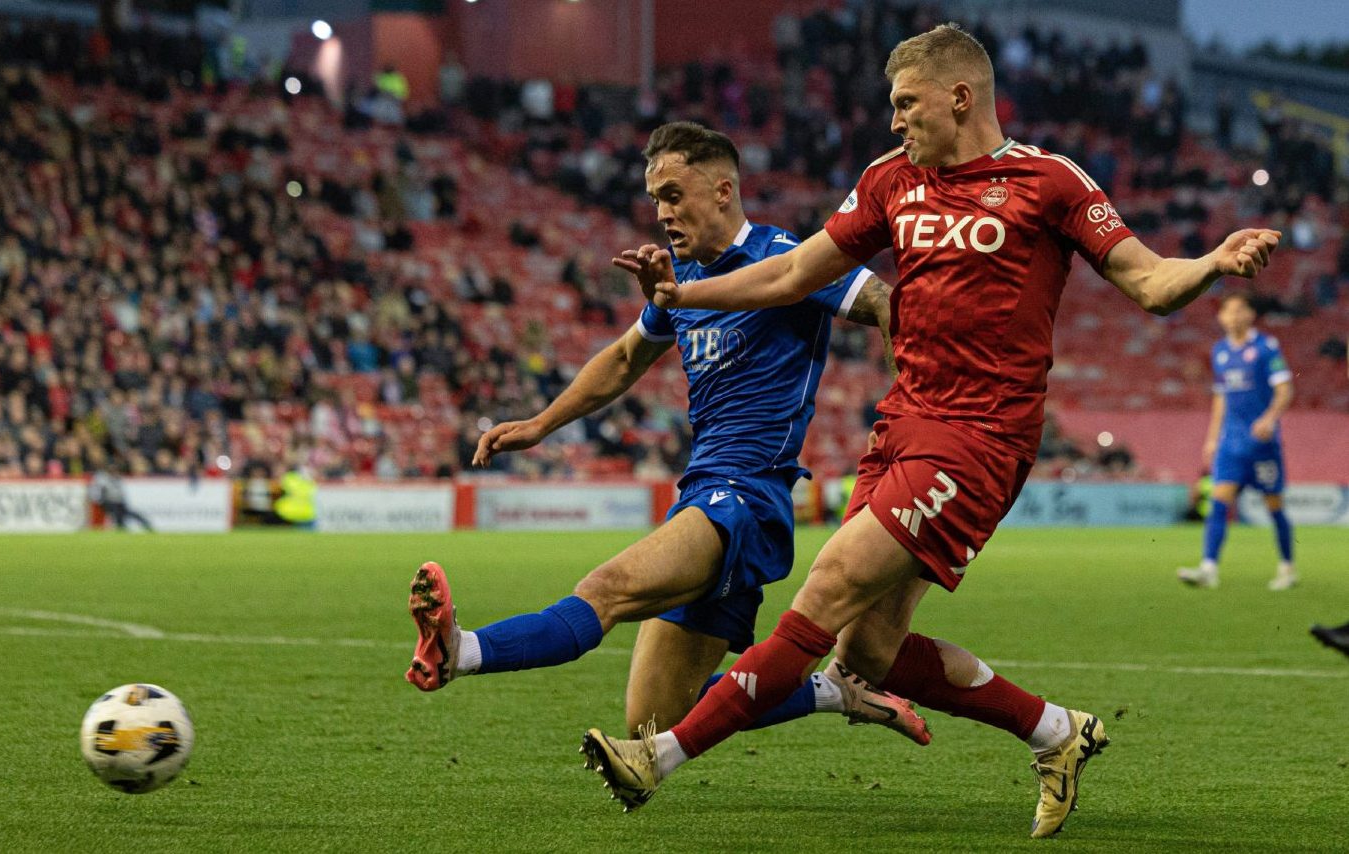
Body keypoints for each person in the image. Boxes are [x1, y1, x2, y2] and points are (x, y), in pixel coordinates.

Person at [582, 23, 1280, 839]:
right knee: (866, 653)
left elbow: (1150, 283)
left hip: (982, 436)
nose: (893, 121)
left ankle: (657, 757)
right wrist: (680, 299)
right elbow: (792, 273)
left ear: (960, 97)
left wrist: (1211, 263)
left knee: (830, 583)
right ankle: (1058, 732)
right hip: (904, 425)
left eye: (905, 103)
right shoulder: (891, 181)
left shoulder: (1047, 182)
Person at [406, 121, 930, 746]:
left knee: (606, 589)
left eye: (674, 195)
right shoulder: (681, 281)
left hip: (746, 496)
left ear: (722, 191)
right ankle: (833, 691)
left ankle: (460, 651)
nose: (662, 213)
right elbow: (627, 356)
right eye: (655, 198)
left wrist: (912, 412)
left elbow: (886, 302)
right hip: (704, 491)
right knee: (654, 720)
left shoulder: (783, 258)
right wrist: (542, 424)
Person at [1176, 294, 1296, 590]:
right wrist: (1212, 437)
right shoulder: (1220, 352)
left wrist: (1269, 419)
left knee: (1274, 506)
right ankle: (1209, 567)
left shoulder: (1266, 348)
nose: (1233, 315)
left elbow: (1285, 390)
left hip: (1263, 443)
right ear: (1221, 318)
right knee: (1219, 501)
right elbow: (1221, 398)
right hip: (1232, 443)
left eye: (1240, 309)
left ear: (1251, 314)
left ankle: (1287, 567)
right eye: (1228, 311)